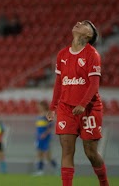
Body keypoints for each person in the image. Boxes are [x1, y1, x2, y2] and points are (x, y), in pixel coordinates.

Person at [46, 20, 109, 186]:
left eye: (85, 24)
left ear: (89, 35)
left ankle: (104, 182)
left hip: (89, 109)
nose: (79, 23)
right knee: (67, 150)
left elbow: (94, 84)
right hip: (66, 108)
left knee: (90, 152)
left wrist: (83, 104)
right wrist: (53, 107)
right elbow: (59, 83)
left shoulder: (92, 54)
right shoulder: (62, 55)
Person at [33, 100, 58, 176]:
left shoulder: (46, 114)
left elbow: (51, 126)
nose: (38, 107)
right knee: (39, 154)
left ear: (43, 106)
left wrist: (45, 133)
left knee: (47, 156)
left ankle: (57, 168)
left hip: (45, 138)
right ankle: (40, 171)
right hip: (39, 138)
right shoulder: (39, 115)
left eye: (39, 106)